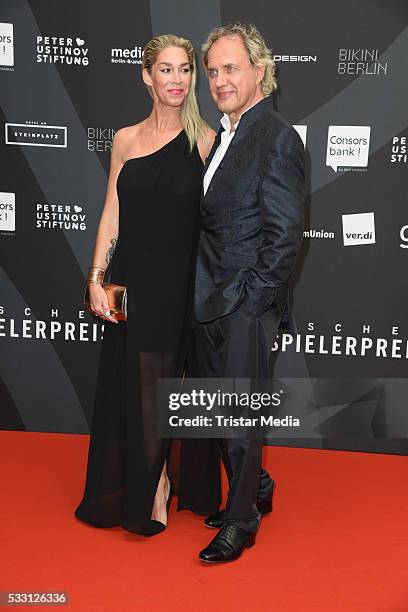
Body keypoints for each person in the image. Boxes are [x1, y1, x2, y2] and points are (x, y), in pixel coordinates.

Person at [74, 34, 217, 536]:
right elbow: (111, 211)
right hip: (132, 280)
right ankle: (145, 479)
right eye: (166, 70)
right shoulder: (125, 139)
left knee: (161, 387)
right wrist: (96, 277)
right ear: (146, 76)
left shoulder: (206, 140)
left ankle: (156, 483)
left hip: (178, 283)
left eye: (184, 70)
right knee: (133, 387)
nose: (177, 80)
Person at [192, 23, 305, 562]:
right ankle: (254, 486)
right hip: (208, 297)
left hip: (243, 302)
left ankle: (241, 520)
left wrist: (252, 300)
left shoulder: (276, 135)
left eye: (230, 68)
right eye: (212, 71)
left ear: (259, 71)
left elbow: (285, 236)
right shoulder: (222, 136)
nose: (219, 80)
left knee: (236, 417)